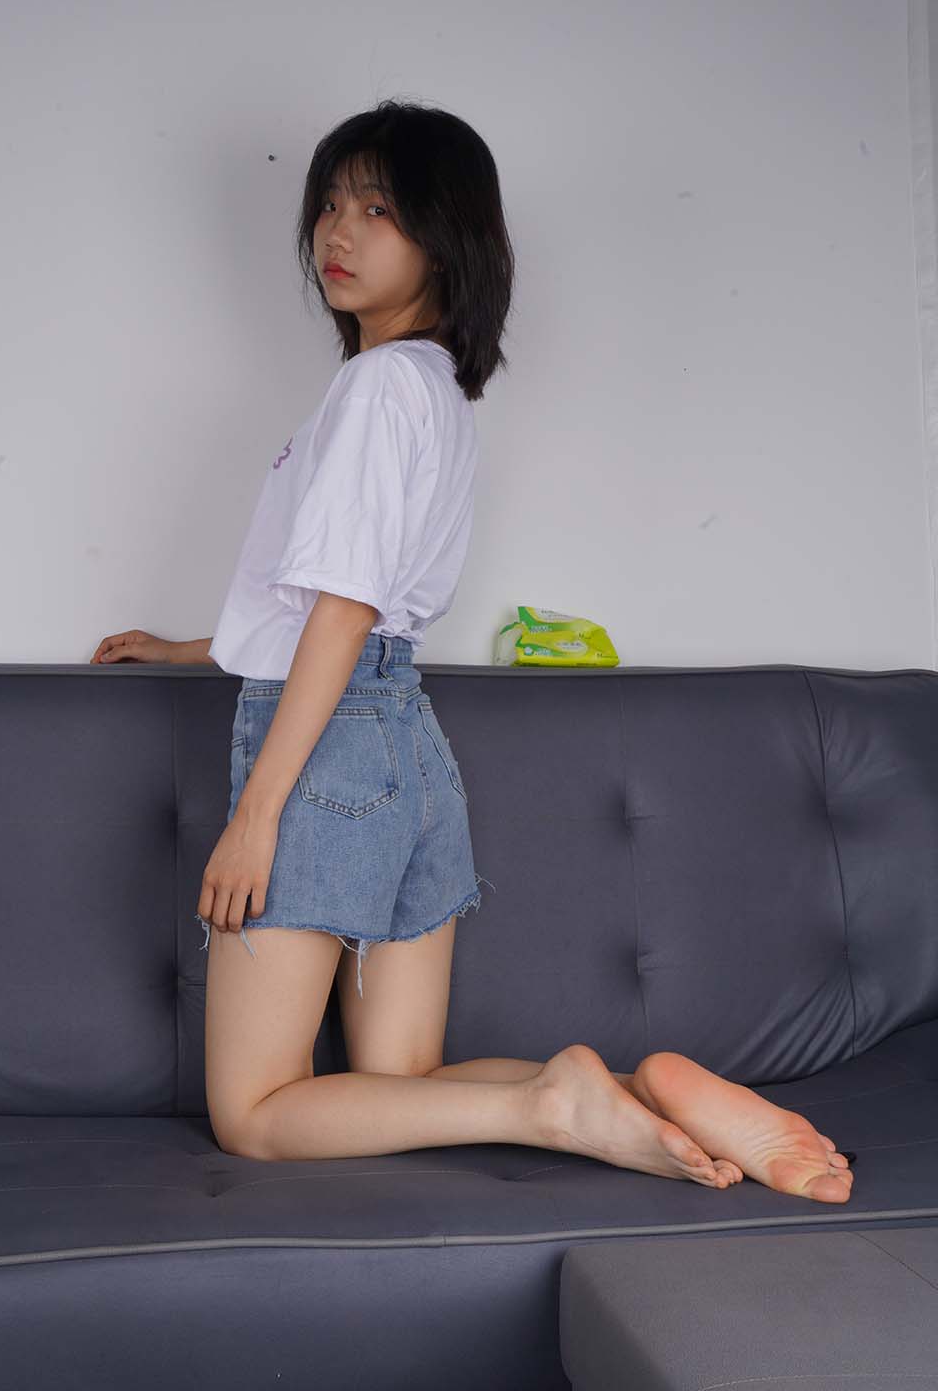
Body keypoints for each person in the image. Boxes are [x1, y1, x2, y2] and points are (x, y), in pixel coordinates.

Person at [91, 100, 854, 1204]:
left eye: (378, 209)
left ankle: (546, 1107)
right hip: (405, 744)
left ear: (444, 238)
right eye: (330, 204)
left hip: (326, 748)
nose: (337, 230)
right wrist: (195, 647)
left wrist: (255, 816)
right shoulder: (437, 394)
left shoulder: (371, 389)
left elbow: (343, 612)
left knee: (253, 1112)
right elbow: (352, 609)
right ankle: (645, 1094)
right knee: (399, 1083)